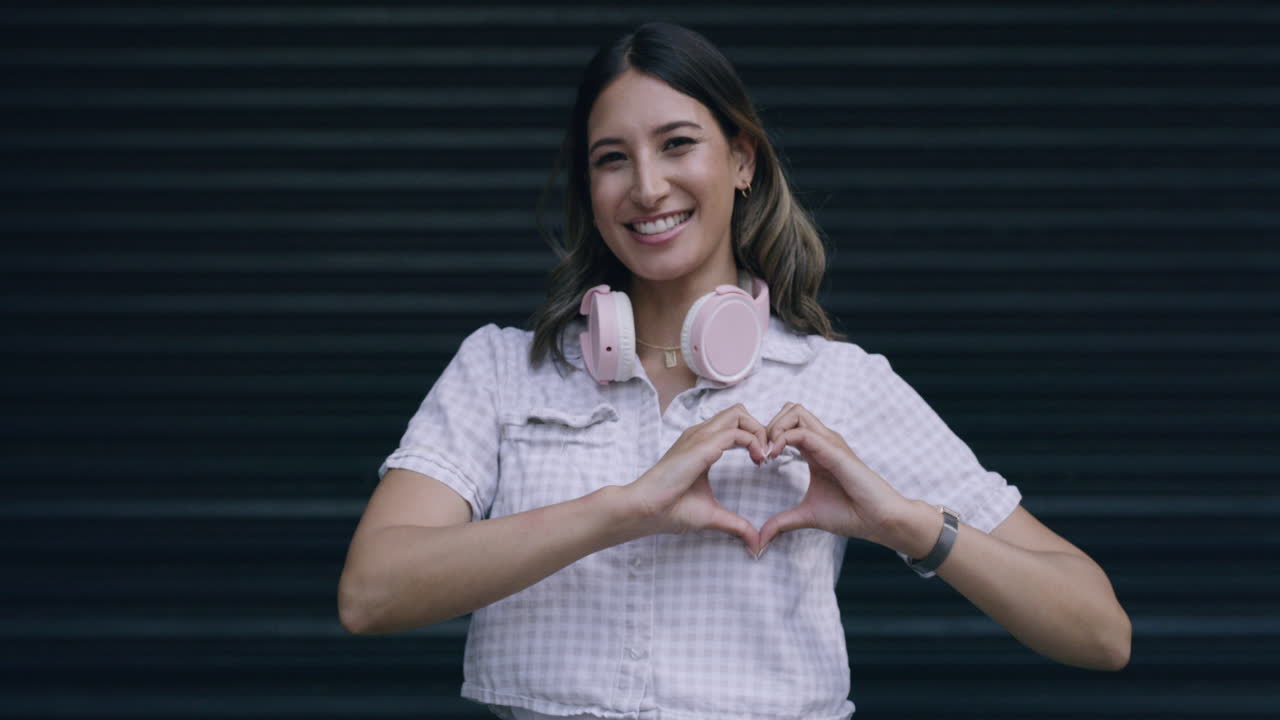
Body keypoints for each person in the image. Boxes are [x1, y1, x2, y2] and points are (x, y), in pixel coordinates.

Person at [338, 21, 1131, 720]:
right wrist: (620, 509)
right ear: (589, 185)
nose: (648, 186)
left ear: (742, 159)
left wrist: (905, 524)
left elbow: (1100, 631)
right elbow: (372, 593)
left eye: (678, 144)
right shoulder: (504, 371)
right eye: (613, 158)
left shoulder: (838, 382)